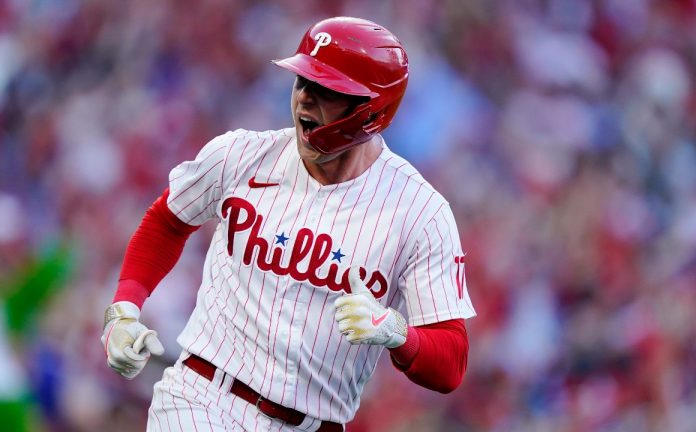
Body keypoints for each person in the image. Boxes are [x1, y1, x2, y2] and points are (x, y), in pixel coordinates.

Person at [101, 16, 476, 431]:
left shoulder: (420, 212)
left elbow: (451, 364)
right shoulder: (240, 154)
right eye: (302, 82)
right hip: (203, 397)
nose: (304, 100)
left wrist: (396, 333)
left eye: (326, 91)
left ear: (372, 110)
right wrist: (123, 310)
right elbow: (167, 222)